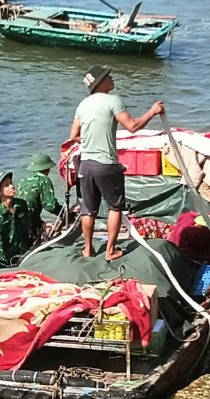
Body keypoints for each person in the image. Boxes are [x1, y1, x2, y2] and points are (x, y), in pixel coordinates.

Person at [69, 65, 164, 261]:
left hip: (85, 165)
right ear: (99, 83)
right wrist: (152, 112)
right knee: (115, 207)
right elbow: (133, 126)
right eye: (108, 77)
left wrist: (91, 140)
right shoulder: (113, 101)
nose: (112, 79)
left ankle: (87, 249)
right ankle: (110, 251)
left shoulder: (83, 105)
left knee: (88, 210)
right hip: (106, 165)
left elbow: (73, 136)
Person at [0, 171, 32, 272]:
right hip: (2, 263)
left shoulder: (22, 205)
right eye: (7, 185)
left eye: (11, 183)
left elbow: (28, 228)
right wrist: (5, 267)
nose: (12, 186)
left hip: (21, 257)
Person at [16, 154, 64, 243]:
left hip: (18, 220)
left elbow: (29, 205)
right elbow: (50, 206)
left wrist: (41, 223)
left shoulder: (22, 181)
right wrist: (65, 212)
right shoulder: (44, 180)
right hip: (30, 223)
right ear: (48, 169)